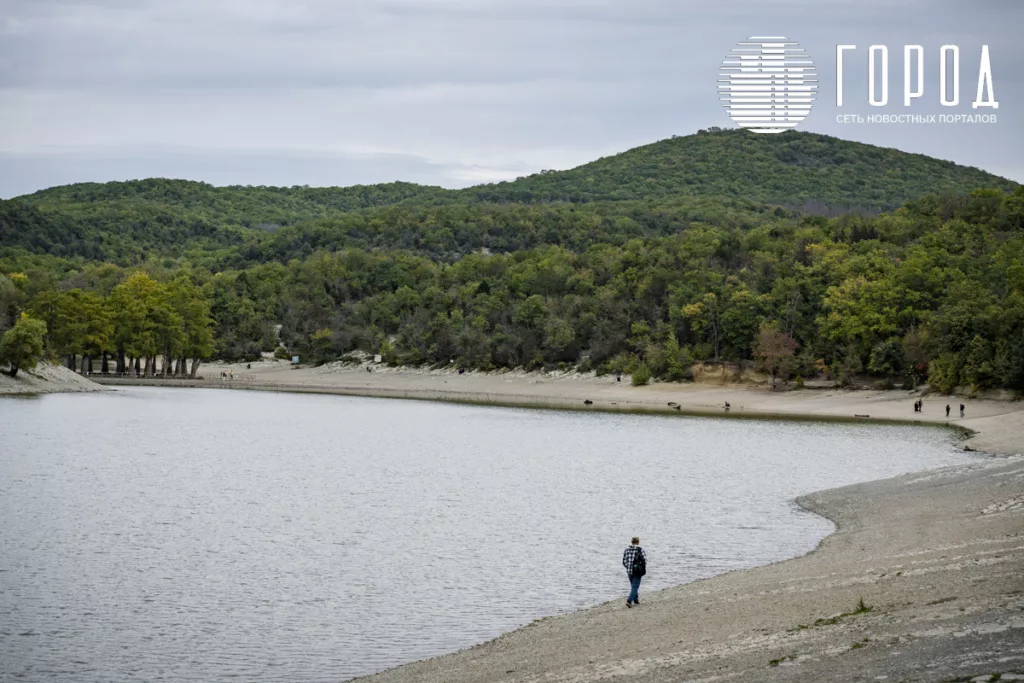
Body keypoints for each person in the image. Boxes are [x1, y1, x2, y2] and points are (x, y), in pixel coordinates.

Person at [622, 537, 647, 608]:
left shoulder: (626, 550)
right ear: (638, 542)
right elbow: (645, 560)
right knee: (635, 586)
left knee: (633, 586)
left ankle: (636, 599)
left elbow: (624, 561)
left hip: (629, 571)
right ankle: (629, 601)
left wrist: (628, 567)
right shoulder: (640, 550)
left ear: (632, 542)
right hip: (637, 571)